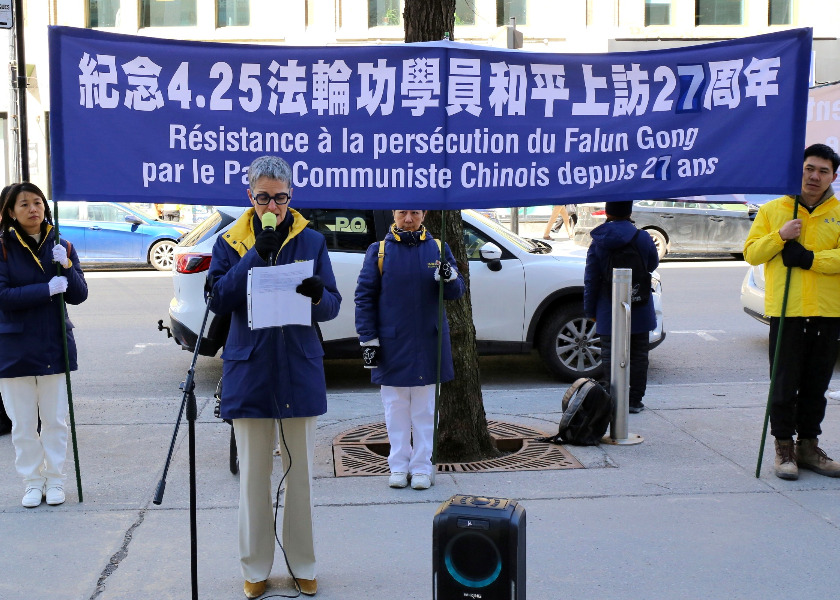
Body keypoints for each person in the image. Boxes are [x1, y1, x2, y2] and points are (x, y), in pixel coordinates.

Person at [206, 155, 340, 599]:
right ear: (250, 196)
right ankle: (255, 567)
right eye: (263, 196)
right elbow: (219, 299)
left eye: (280, 198)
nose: (272, 205)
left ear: (290, 198)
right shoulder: (231, 242)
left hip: (298, 368)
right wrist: (254, 257)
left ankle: (303, 563)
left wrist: (319, 297)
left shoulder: (313, 241)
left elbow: (332, 305)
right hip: (250, 371)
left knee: (299, 477)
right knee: (253, 479)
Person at [744, 143, 840, 481]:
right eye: (809, 168)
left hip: (828, 314)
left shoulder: (838, 213)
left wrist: (811, 259)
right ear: (798, 170)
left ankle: (808, 446)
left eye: (823, 171)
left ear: (833, 175)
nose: (814, 176)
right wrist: (779, 237)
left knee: (817, 386)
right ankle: (783, 446)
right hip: (788, 313)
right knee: (783, 386)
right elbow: (752, 254)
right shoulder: (774, 210)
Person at [354, 210, 465, 490]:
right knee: (396, 408)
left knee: (426, 410)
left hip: (428, 342)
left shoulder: (438, 248)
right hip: (392, 343)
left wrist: (449, 276)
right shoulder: (379, 251)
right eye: (403, 213)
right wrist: (368, 339)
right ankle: (398, 465)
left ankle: (422, 467)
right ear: (394, 214)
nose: (408, 219)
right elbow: (364, 297)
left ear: (424, 214)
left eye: (414, 213)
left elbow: (457, 292)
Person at [0, 182, 88, 507]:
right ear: (10, 212)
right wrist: (46, 290)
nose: (33, 209)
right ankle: (32, 482)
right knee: (22, 423)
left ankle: (55, 481)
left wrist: (66, 265)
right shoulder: (3, 248)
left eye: (37, 202)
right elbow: (3, 297)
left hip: (53, 344)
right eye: (24, 204)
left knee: (54, 420)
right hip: (13, 348)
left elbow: (78, 295)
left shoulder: (61, 242)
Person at [583, 200, 658, 413]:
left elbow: (591, 279)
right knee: (639, 354)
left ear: (607, 212)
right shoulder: (642, 237)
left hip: (608, 306)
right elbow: (652, 264)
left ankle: (614, 399)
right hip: (640, 304)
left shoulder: (598, 240)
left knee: (610, 354)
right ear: (630, 211)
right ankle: (634, 400)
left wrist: (590, 310)